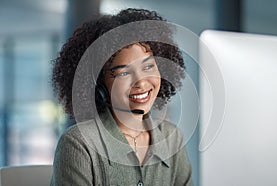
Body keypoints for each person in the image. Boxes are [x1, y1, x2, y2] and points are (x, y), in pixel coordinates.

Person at [51, 8, 193, 186]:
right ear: (100, 86)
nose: (141, 83)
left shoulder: (172, 138)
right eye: (123, 73)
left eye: (148, 67)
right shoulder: (78, 144)